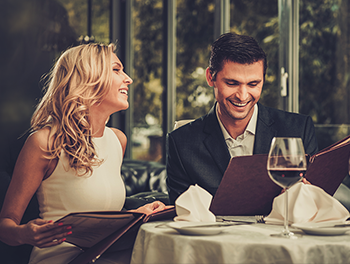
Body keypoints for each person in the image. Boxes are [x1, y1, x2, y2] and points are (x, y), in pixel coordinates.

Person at [0, 43, 167, 263]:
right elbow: (6, 225)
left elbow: (101, 214)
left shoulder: (118, 140)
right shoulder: (45, 142)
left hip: (107, 255)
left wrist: (138, 213)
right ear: (89, 78)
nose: (128, 79)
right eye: (116, 70)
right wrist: (25, 233)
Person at [166, 32, 319, 204]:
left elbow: (313, 203)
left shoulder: (299, 129)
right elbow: (181, 215)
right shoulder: (181, 144)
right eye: (232, 83)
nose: (243, 95)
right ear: (211, 77)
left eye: (253, 84)